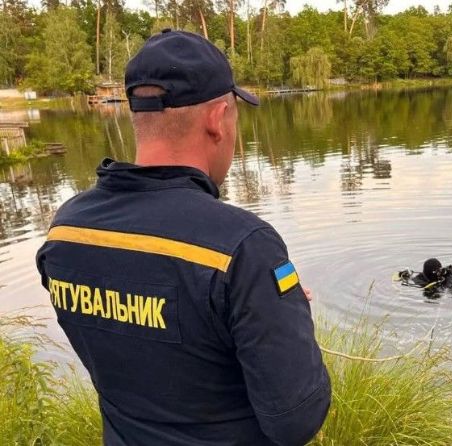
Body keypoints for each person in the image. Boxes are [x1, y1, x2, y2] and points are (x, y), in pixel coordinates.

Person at [35, 29, 331, 446]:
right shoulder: (244, 246)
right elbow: (295, 420)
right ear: (216, 119)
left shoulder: (68, 230)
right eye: (234, 117)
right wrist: (289, 313)